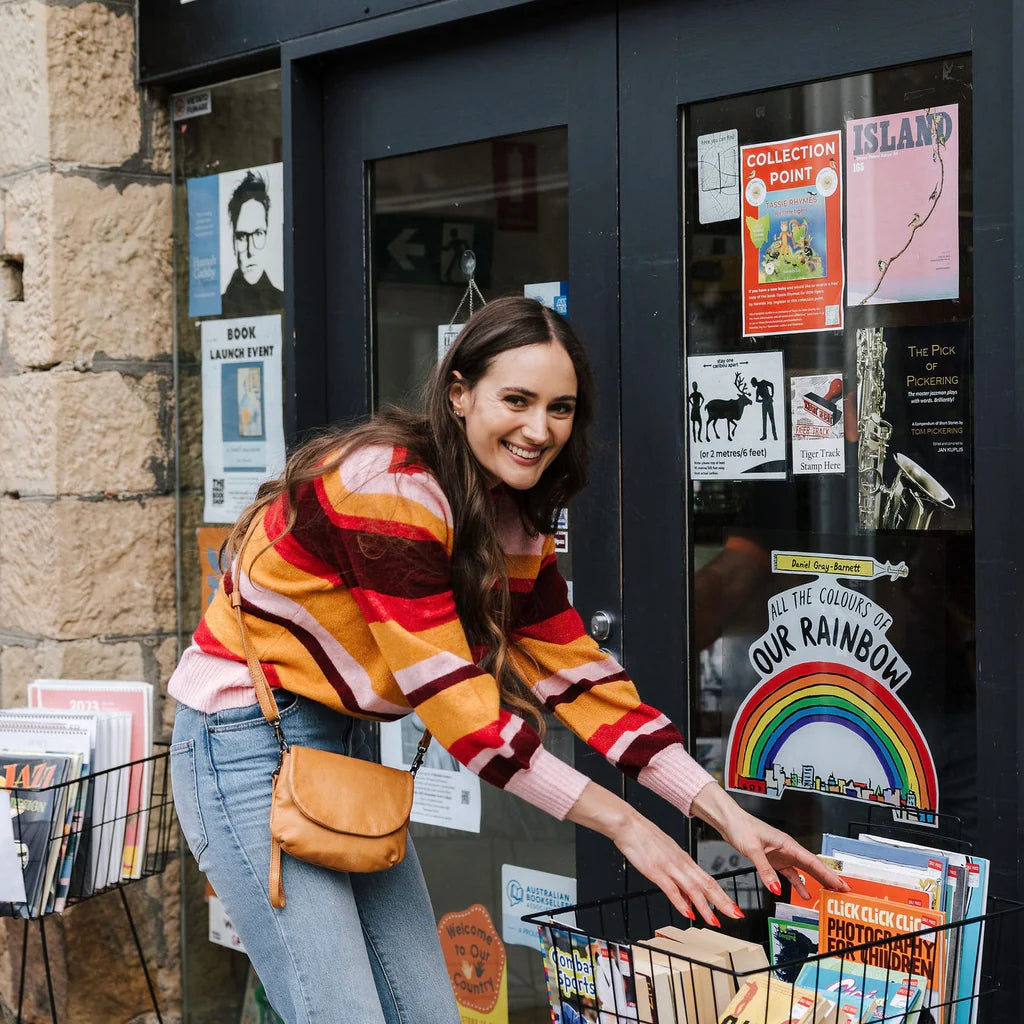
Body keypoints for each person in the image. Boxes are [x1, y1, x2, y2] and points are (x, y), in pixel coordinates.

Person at [169, 296, 845, 1024]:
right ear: (458, 394)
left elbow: (584, 679)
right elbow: (470, 721)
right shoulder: (387, 485)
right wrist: (627, 824)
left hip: (342, 746)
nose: (538, 429)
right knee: (339, 1011)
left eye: (560, 408)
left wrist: (721, 812)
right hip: (245, 740)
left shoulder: (508, 517)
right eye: (516, 400)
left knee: (425, 1011)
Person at [221, 170, 284, 316]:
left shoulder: (282, 301)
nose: (250, 250)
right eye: (242, 237)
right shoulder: (220, 307)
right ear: (233, 242)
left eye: (258, 234)